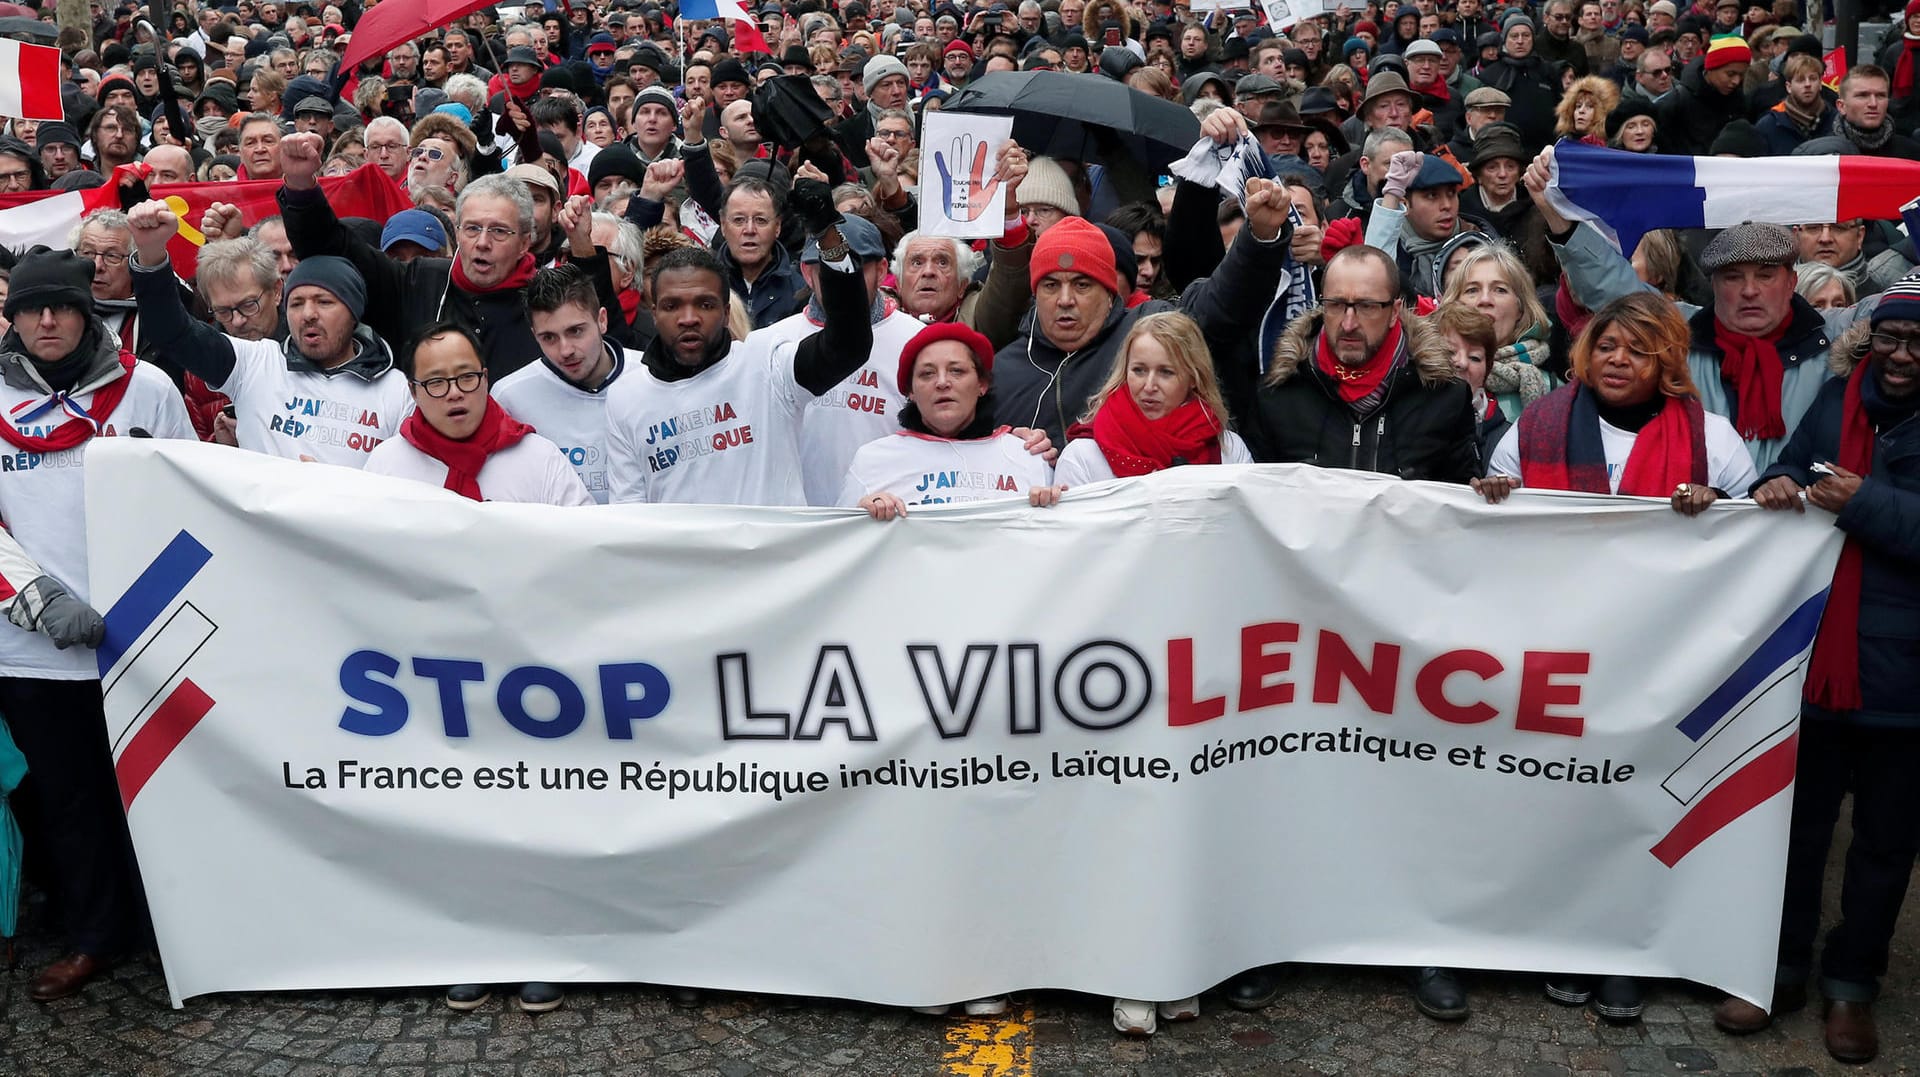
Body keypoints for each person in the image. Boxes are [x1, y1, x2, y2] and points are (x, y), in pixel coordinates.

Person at [1730, 275, 1920, 1066]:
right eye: (1890, 339)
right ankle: (1775, 968)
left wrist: (1861, 500)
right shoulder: (1840, 396)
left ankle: (1851, 984)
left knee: (1883, 843)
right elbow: (1797, 464)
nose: (1902, 357)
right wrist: (1775, 478)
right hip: (1814, 663)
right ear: (1868, 339)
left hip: (1904, 682)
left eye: (1917, 345)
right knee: (1795, 833)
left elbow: (1856, 502)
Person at [0, 249, 195, 1003]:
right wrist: (39, 599)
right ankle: (94, 936)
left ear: (88, 313)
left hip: (141, 643)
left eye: (61, 306)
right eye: (31, 307)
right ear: (13, 317)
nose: (46, 320)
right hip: (33, 651)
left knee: (161, 791)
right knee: (71, 802)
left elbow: (188, 492)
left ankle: (178, 928)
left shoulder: (144, 388)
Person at [1527, 147, 1874, 471]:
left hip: (1803, 525)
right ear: (1714, 285)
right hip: (1698, 520)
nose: (1749, 291)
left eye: (1766, 276)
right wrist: (1559, 217)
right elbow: (1610, 285)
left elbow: (1903, 302)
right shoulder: (1681, 332)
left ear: (1791, 282)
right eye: (1733, 277)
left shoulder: (1833, 334)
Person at [605, 179, 875, 505]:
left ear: (725, 310)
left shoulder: (767, 364)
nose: (688, 318)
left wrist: (827, 233)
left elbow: (849, 343)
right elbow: (628, 516)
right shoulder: (626, 397)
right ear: (654, 311)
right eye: (672, 305)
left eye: (704, 304)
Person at [277, 133, 625, 380]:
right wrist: (300, 185)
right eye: (472, 229)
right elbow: (329, 249)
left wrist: (582, 245)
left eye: (499, 231)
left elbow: (607, 346)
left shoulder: (546, 298)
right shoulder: (415, 281)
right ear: (457, 233)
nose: (482, 243)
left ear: (524, 242)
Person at [127, 200, 409, 467]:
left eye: (324, 302)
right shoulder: (255, 362)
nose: (308, 314)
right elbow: (172, 331)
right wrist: (151, 254)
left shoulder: (397, 391)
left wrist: (332, 488)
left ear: (353, 310)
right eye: (297, 303)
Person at [840, 322, 1060, 518]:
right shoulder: (872, 461)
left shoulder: (1028, 455)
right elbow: (837, 548)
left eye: (956, 371)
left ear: (982, 384)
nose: (942, 382)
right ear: (911, 392)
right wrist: (859, 517)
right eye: (927, 374)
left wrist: (1050, 508)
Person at [364, 321, 591, 509]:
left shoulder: (539, 458)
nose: (454, 393)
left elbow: (582, 540)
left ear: (485, 378)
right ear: (413, 391)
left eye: (467, 377)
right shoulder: (386, 465)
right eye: (436, 382)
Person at [1053, 308, 1251, 487]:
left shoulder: (1229, 451)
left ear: (1193, 378)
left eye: (1166, 372)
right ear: (1125, 372)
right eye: (1139, 370)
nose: (1149, 386)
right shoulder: (1083, 457)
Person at [493, 264, 640, 504]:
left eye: (576, 331)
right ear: (534, 334)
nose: (565, 350)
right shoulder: (510, 396)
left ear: (602, 320)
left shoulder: (649, 375)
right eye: (548, 337)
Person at [1433, 304, 1509, 463]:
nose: (1461, 363)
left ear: (1487, 371)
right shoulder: (1400, 417)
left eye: (1474, 357)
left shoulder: (1507, 439)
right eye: (1449, 351)